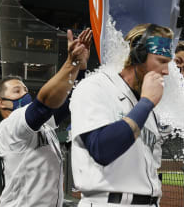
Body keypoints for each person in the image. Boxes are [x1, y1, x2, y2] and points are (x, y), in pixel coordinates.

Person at [70, 23, 172, 206]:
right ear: (138, 56)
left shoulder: (148, 109)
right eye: (161, 61)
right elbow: (102, 149)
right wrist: (146, 103)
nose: (166, 71)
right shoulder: (96, 87)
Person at [0, 28, 92, 207]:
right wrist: (71, 63)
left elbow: (71, 99)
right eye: (17, 91)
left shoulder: (44, 124)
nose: (24, 94)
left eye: (25, 89)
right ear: (1, 102)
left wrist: (81, 66)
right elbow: (43, 105)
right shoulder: (9, 126)